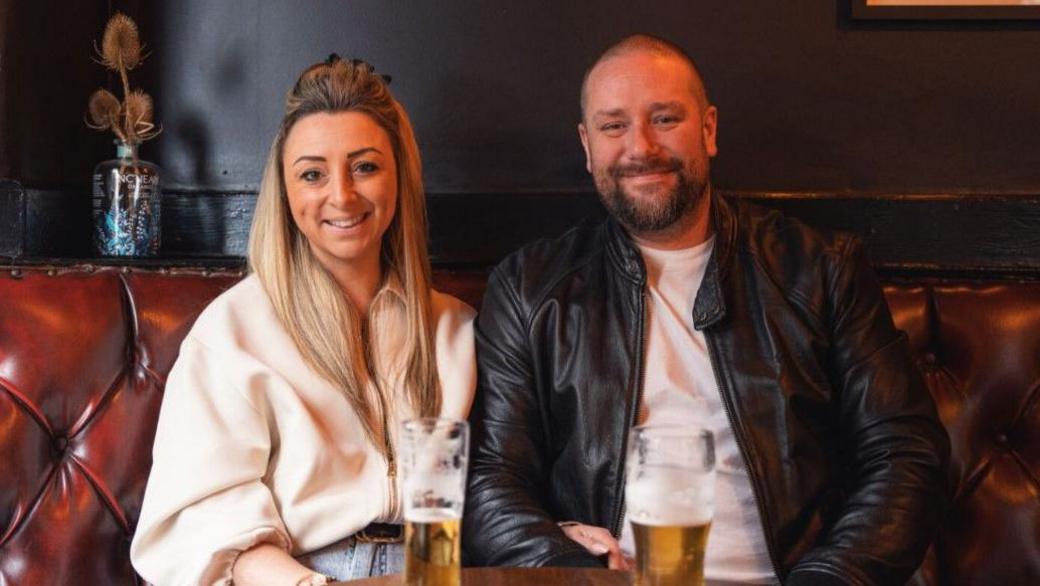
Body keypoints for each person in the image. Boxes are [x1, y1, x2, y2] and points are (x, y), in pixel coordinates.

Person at [463, 34, 949, 585]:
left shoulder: (820, 269)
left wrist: (829, 577)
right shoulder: (529, 288)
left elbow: (906, 453)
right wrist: (573, 572)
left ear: (709, 129)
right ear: (587, 145)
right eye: (614, 126)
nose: (640, 147)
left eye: (665, 119)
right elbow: (490, 477)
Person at [130, 56, 476, 585]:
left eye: (365, 167)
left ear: (399, 177)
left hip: (439, 566)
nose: (341, 195)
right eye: (313, 174)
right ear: (286, 191)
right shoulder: (233, 331)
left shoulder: (455, 329)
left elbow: (488, 490)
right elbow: (200, 523)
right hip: (300, 572)